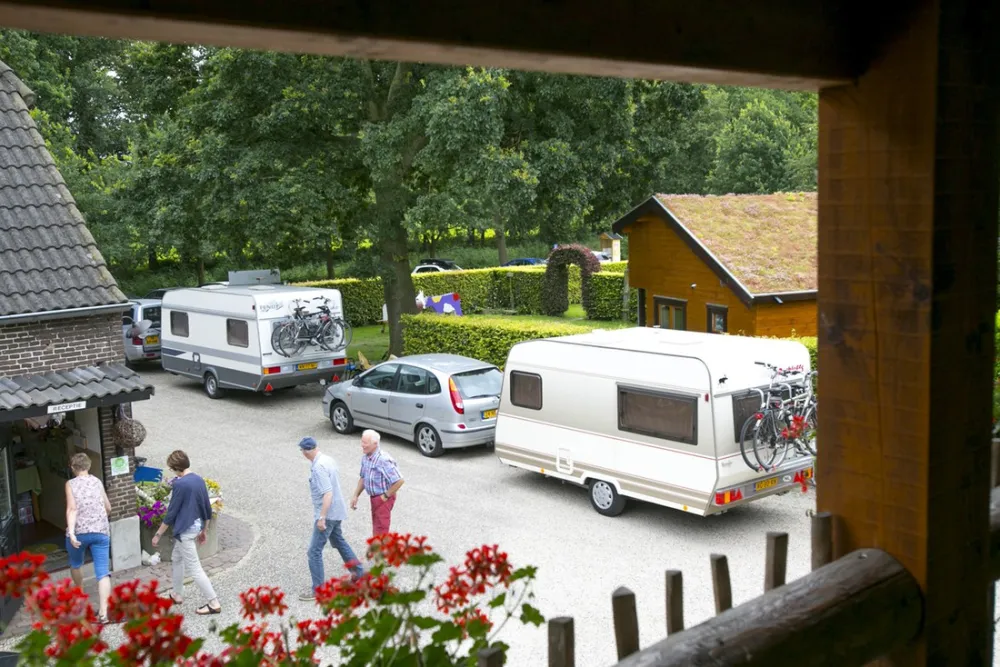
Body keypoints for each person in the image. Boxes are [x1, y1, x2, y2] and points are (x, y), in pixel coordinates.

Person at [151, 450, 221, 615]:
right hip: (195, 527)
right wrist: (204, 529)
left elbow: (171, 513)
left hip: (184, 531)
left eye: (172, 469)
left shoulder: (180, 485)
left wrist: (158, 534)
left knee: (195, 568)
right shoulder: (198, 480)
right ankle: (177, 593)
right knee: (177, 558)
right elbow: (206, 507)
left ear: (176, 468)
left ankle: (213, 602)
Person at [297, 436, 365, 601]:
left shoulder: (318, 467)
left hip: (328, 514)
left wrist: (322, 518)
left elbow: (328, 493)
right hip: (337, 511)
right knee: (338, 541)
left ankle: (318, 590)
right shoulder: (328, 459)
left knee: (314, 551)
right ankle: (359, 573)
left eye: (302, 450)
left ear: (306, 452)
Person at [65, 452, 112, 624]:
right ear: (89, 466)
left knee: (76, 563)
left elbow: (72, 509)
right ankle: (104, 612)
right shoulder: (97, 482)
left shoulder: (70, 484)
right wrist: (101, 518)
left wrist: (71, 532)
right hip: (100, 531)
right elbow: (108, 507)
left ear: (72, 468)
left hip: (80, 533)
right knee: (102, 572)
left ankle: (79, 590)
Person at [350, 430, 405, 537]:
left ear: (375, 444)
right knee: (377, 529)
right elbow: (363, 477)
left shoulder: (383, 459)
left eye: (365, 443)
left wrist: (385, 497)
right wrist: (356, 495)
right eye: (362, 442)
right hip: (374, 498)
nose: (362, 445)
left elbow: (399, 480)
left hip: (382, 499)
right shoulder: (366, 457)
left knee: (381, 530)